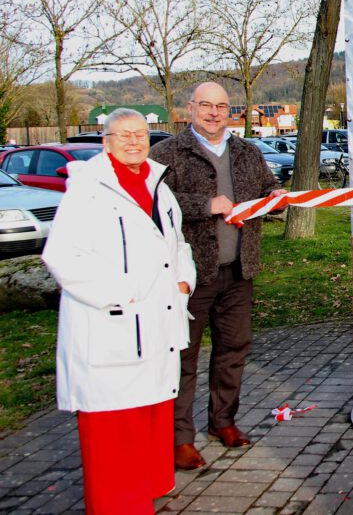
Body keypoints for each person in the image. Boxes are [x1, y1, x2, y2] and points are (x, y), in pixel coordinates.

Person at [43, 109, 196, 514]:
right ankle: (117, 504)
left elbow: (177, 242)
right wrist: (121, 294)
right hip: (113, 323)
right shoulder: (88, 189)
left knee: (150, 410)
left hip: (157, 322)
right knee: (115, 424)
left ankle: (148, 487)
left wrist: (184, 281)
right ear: (105, 140)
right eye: (124, 135)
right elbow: (61, 256)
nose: (134, 141)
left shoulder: (157, 184)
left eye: (141, 134)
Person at [151, 82, 285, 471]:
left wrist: (274, 200)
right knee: (184, 357)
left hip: (239, 270)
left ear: (232, 111)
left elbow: (267, 188)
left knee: (233, 351)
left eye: (221, 106)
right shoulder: (166, 154)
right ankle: (180, 438)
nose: (213, 113)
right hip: (190, 276)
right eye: (205, 105)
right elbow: (154, 205)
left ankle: (222, 422)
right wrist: (204, 204)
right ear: (189, 108)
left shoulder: (247, 151)